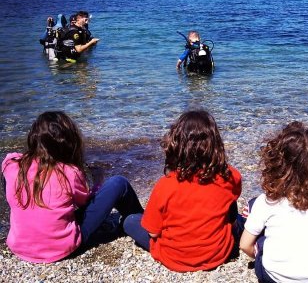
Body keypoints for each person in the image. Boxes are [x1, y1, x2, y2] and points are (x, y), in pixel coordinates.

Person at [1, 111, 144, 263]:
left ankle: (29, 224)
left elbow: (10, 185)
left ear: (33, 138)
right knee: (118, 183)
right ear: (69, 142)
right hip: (62, 248)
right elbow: (86, 203)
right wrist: (98, 181)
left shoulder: (11, 164)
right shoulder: (69, 172)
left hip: (20, 247)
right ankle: (140, 221)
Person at [123, 110, 242, 272]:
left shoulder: (165, 185)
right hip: (217, 253)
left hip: (173, 257)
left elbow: (152, 234)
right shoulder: (230, 175)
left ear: (176, 145)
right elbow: (232, 200)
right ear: (215, 144)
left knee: (130, 221)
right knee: (231, 204)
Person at [240, 121, 308, 283]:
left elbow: (245, 245)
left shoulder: (268, 202)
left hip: (276, 278)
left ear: (276, 163)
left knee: (262, 240)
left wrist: (260, 255)